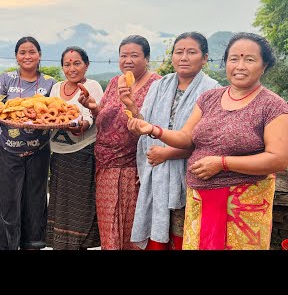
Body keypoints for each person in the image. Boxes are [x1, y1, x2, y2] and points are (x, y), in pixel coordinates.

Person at [127, 32, 288, 250]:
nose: (240, 66)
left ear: (264, 65)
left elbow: (278, 159)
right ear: (225, 63)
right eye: (234, 59)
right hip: (200, 202)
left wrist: (222, 163)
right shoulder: (210, 98)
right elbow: (186, 138)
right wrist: (154, 129)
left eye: (249, 59)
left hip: (242, 208)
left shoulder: (272, 105)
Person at [130, 32, 220, 250]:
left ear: (205, 58)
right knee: (158, 230)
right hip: (156, 171)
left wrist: (167, 153)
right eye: (179, 52)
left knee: (184, 233)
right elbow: (144, 124)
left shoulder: (213, 90)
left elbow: (207, 141)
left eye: (192, 52)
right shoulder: (160, 86)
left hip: (190, 172)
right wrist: (131, 108)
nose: (184, 57)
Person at [78, 35, 161, 250]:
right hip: (105, 166)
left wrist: (147, 168)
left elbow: (156, 127)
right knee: (109, 231)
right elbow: (103, 115)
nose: (128, 61)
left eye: (135, 55)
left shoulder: (157, 85)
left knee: (131, 229)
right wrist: (93, 106)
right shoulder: (116, 81)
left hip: (133, 169)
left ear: (147, 58)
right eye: (124, 56)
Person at [0, 36, 56, 250]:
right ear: (16, 56)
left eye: (32, 52)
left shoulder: (49, 83)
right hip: (8, 149)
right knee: (7, 201)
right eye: (22, 52)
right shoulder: (6, 79)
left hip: (39, 151)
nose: (27, 56)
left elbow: (56, 114)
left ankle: (33, 244)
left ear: (40, 55)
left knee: (35, 200)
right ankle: (6, 245)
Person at [45, 46, 103, 250]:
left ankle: (79, 244)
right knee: (60, 202)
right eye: (67, 64)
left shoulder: (92, 86)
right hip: (59, 156)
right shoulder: (56, 88)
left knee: (80, 205)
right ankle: (61, 245)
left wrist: (82, 125)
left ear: (86, 65)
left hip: (83, 153)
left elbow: (93, 115)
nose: (72, 68)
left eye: (77, 63)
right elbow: (50, 114)